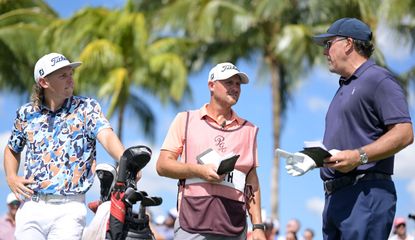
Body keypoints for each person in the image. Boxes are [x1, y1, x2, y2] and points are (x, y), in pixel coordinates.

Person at [281, 17, 413, 240]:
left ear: (348, 43)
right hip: (335, 197)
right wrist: (315, 160)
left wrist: (359, 156)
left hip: (365, 194)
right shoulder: (343, 88)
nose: (325, 52)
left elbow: (404, 133)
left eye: (328, 44)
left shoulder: (378, 79)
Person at [3, 52, 125, 240]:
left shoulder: (86, 108)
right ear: (44, 82)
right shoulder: (26, 113)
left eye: (71, 74)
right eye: (63, 76)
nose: (71, 80)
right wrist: (11, 177)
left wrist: (125, 160)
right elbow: (12, 149)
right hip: (31, 207)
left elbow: (106, 136)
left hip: (69, 208)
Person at [156, 62, 266, 240]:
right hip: (192, 224)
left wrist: (258, 226)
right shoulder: (185, 120)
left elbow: (251, 180)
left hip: (234, 227)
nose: (235, 88)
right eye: (229, 83)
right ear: (211, 86)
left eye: (238, 84)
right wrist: (199, 170)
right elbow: (162, 165)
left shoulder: (249, 130)